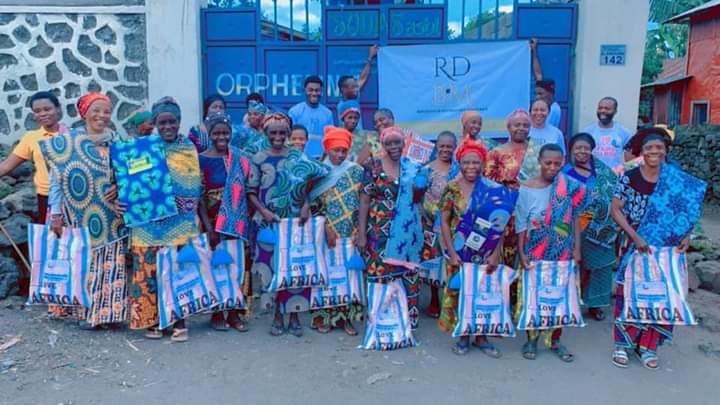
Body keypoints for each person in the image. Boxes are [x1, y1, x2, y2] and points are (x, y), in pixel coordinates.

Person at [609, 126, 704, 370]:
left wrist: (687, 236)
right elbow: (615, 209)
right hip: (636, 245)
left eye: (659, 147)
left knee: (661, 296)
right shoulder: (630, 177)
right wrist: (635, 236)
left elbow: (689, 211)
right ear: (641, 152)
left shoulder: (675, 179)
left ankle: (648, 347)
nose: (654, 151)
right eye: (649, 148)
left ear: (665, 151)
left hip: (667, 249)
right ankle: (623, 344)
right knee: (630, 293)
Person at [43, 92, 128, 328]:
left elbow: (128, 173)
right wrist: (56, 214)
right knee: (84, 261)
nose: (102, 116)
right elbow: (56, 181)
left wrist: (119, 187)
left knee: (111, 261)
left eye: (107, 111)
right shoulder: (68, 142)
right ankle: (87, 313)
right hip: (77, 213)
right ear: (84, 113)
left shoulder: (117, 142)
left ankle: (109, 313)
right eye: (96, 110)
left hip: (111, 213)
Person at [125, 97, 203, 342]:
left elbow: (193, 184)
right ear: (154, 124)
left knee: (177, 271)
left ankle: (179, 320)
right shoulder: (143, 148)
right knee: (150, 271)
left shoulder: (187, 148)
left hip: (180, 222)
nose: (168, 126)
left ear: (179, 121)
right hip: (148, 223)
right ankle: (154, 320)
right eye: (162, 122)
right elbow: (132, 181)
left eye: (172, 121)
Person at [247, 112, 329, 337]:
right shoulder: (258, 158)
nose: (278, 136)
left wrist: (306, 204)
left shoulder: (297, 156)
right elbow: (250, 191)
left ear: (288, 134)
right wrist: (263, 211)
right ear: (265, 133)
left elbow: (317, 176)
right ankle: (277, 316)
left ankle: (294, 315)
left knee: (295, 269)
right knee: (273, 269)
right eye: (273, 132)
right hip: (268, 224)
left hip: (294, 223)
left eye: (282, 132)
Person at [438, 140, 515, 357]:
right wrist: (452, 252)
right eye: (466, 162)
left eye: (476, 162)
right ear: (460, 163)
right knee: (463, 293)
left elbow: (499, 224)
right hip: (460, 251)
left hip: (485, 251)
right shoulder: (452, 188)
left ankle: (482, 338)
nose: (471, 166)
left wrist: (495, 253)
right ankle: (463, 337)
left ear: (483, 164)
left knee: (483, 294)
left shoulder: (493, 189)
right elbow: (444, 221)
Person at [515, 143, 588, 362]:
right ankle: (532, 339)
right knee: (534, 296)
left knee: (559, 296)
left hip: (562, 250)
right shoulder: (526, 188)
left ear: (563, 163)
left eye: (557, 163)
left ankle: (556, 340)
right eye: (548, 163)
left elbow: (575, 219)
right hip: (535, 249)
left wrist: (577, 249)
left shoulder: (569, 186)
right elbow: (521, 223)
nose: (552, 167)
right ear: (539, 161)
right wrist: (522, 252)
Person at [357, 126, 428, 330]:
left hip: (407, 232)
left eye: (397, 142)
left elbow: (417, 200)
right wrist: (361, 235)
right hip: (378, 231)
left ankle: (407, 321)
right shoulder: (373, 166)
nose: (393, 146)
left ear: (404, 144)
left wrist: (418, 189)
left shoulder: (412, 167)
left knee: (407, 272)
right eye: (389, 143)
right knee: (380, 271)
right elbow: (364, 201)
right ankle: (381, 320)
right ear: (383, 145)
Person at [198, 112, 252, 333]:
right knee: (216, 267)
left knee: (237, 266)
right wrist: (208, 228)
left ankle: (235, 313)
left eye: (225, 133)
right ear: (210, 134)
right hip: (214, 222)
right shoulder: (201, 159)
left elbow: (247, 189)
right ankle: (217, 313)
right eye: (217, 133)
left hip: (237, 221)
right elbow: (199, 196)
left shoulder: (239, 158)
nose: (222, 137)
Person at [308, 126, 364, 335]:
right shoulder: (319, 171)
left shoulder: (356, 171)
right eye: (336, 150)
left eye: (344, 151)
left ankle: (346, 319)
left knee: (348, 275)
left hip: (349, 231)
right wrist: (324, 227)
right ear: (327, 149)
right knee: (327, 274)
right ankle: (324, 317)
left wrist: (359, 230)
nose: (340, 155)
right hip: (326, 232)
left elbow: (361, 202)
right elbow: (312, 203)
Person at [562, 133, 619, 321]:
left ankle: (596, 304)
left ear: (592, 150)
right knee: (576, 264)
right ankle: (572, 304)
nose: (582, 151)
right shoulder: (565, 173)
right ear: (571, 150)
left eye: (586, 148)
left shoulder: (604, 172)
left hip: (602, 226)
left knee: (600, 267)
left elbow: (615, 194)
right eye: (578, 147)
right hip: (575, 224)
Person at [0, 91, 66, 224]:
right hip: (46, 198)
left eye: (47, 109)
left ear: (58, 109)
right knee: (50, 235)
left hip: (73, 197)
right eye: (37, 111)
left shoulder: (72, 135)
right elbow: (6, 166)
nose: (42, 114)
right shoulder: (31, 138)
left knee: (76, 235)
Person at [484, 109, 540, 266]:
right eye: (517, 125)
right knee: (507, 258)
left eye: (525, 125)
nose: (521, 128)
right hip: (507, 213)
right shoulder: (496, 153)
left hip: (532, 211)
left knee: (530, 255)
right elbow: (489, 185)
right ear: (509, 127)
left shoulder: (538, 151)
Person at [420, 131, 458, 318]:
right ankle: (434, 299)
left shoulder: (459, 169)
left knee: (452, 261)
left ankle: (451, 301)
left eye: (449, 146)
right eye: (442, 146)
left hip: (453, 224)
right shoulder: (427, 169)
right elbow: (418, 196)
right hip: (430, 224)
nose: (445, 150)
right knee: (433, 261)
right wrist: (425, 217)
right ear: (436, 146)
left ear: (455, 148)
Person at [582, 97, 632, 174]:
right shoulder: (587, 131)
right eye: (600, 108)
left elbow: (630, 161)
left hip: (613, 177)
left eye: (607, 108)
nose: (603, 111)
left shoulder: (624, 133)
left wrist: (619, 172)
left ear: (615, 111)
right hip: (591, 176)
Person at [288, 76, 335, 158]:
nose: (314, 93)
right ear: (304, 91)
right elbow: (290, 139)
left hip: (320, 159)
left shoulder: (328, 114)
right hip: (299, 158)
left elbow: (330, 139)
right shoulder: (294, 111)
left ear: (321, 91)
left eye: (317, 90)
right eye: (310, 90)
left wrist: (324, 157)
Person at [336, 45, 379, 127]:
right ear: (343, 89)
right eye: (353, 87)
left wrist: (370, 57)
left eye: (356, 86)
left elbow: (362, 78)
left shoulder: (353, 96)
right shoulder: (342, 106)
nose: (357, 89)